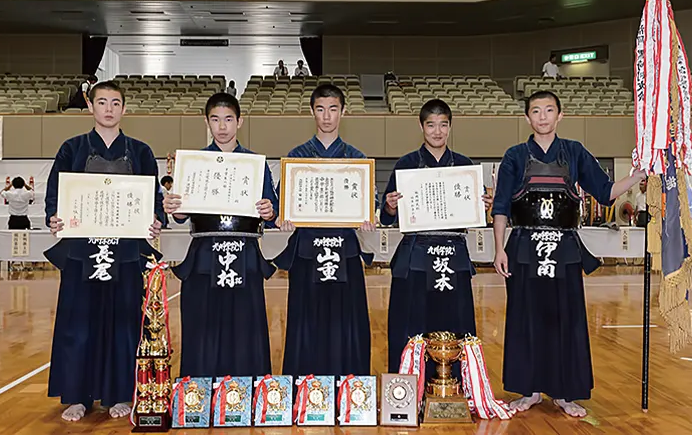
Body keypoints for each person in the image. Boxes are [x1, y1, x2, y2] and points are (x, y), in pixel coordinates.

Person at [491, 90, 644, 418]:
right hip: (523, 250)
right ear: (527, 118)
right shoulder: (515, 156)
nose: (542, 116)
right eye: (536, 111)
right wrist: (498, 249)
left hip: (563, 251)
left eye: (549, 110)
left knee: (566, 321)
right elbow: (502, 205)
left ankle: (564, 392)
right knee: (525, 320)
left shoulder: (574, 152)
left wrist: (640, 174)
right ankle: (529, 389)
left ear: (560, 116)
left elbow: (605, 192)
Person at [43, 80, 163, 423]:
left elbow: (153, 199)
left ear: (124, 109)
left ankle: (119, 394)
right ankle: (77, 395)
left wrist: (155, 220)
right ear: (91, 107)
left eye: (115, 103)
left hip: (125, 252)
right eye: (102, 102)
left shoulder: (140, 151)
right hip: (83, 250)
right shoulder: (72, 148)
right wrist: (55, 216)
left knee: (124, 323)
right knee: (77, 323)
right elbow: (57, 194)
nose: (109, 109)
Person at [163, 93, 278, 379]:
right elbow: (181, 216)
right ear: (206, 122)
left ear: (239, 122)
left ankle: (248, 390)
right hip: (204, 255)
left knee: (245, 325)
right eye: (215, 119)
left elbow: (272, 214)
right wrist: (173, 207)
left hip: (245, 253)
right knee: (202, 324)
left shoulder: (255, 163)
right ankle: (199, 392)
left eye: (228, 119)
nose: (222, 126)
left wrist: (268, 211)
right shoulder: (193, 163)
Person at [381, 99, 492, 374]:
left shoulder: (464, 166)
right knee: (412, 324)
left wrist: (484, 206)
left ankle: (456, 386)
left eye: (443, 124)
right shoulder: (406, 165)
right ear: (421, 127)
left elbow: (478, 217)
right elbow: (385, 217)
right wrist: (390, 206)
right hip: (417, 255)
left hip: (452, 256)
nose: (437, 131)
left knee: (455, 323)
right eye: (431, 125)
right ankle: (409, 387)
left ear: (450, 127)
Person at [274, 84, 375, 377]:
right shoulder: (297, 156)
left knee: (347, 322)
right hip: (307, 252)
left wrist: (368, 216)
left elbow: (373, 203)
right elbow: (283, 204)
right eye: (320, 109)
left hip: (344, 251)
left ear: (343, 112)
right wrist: (284, 217)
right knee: (305, 321)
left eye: (333, 109)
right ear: (312, 112)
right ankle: (305, 387)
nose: (327, 116)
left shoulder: (356, 158)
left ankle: (351, 386)